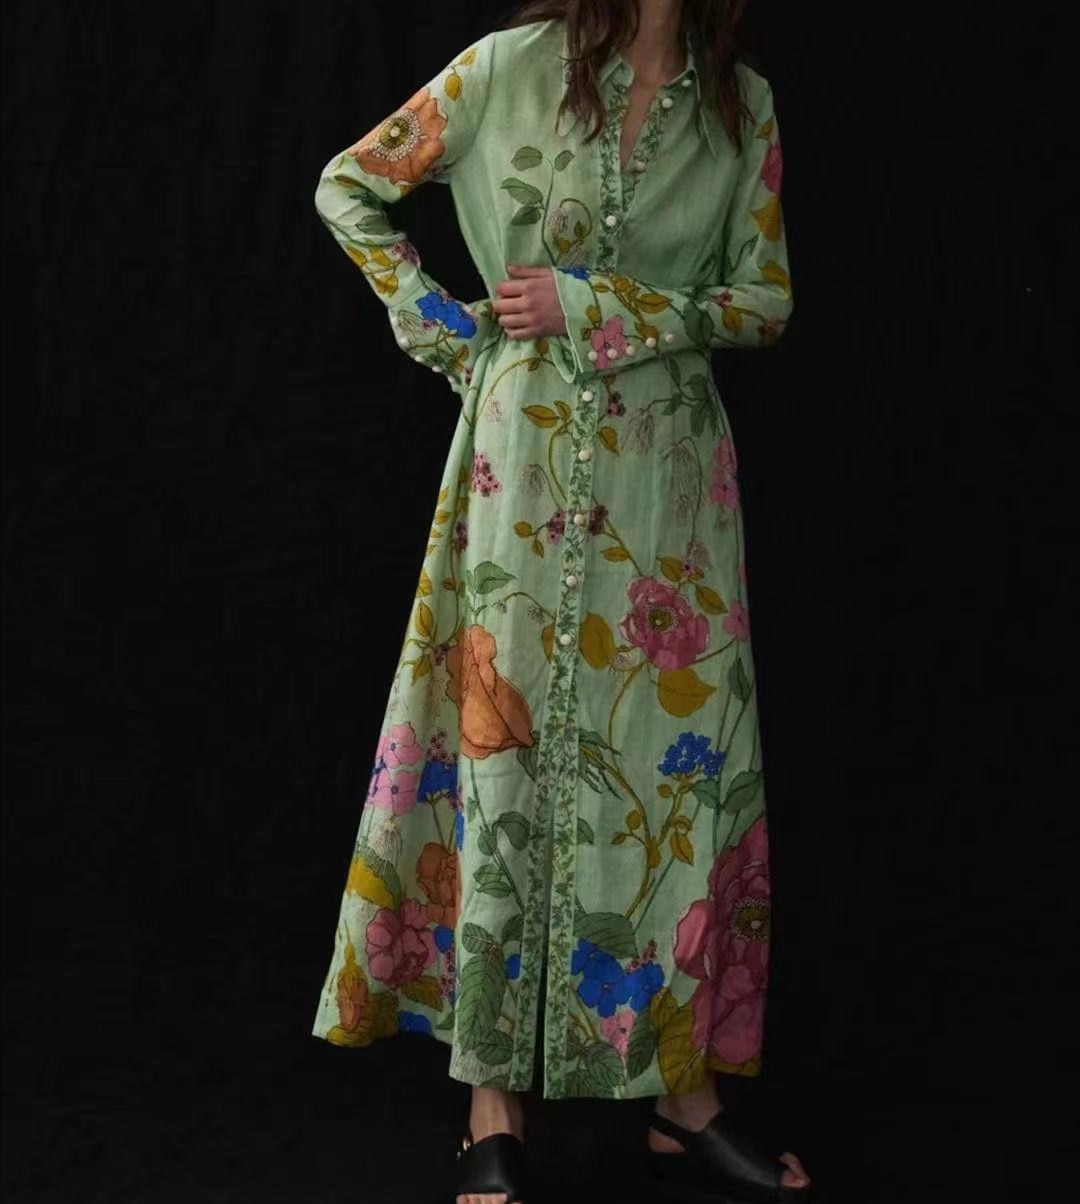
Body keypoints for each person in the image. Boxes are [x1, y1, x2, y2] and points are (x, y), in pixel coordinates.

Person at [310, 2, 811, 1201]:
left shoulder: (741, 106)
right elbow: (348, 186)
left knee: (675, 776)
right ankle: (491, 1103)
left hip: (671, 487)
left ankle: (682, 1097)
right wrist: (457, 337)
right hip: (520, 465)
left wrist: (609, 308)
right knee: (502, 747)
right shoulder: (507, 69)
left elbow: (764, 300)